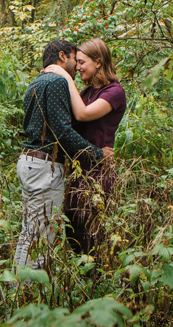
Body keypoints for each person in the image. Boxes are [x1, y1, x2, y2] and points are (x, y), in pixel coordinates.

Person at [14, 40, 114, 272]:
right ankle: (30, 298)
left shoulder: (35, 82)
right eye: (74, 60)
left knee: (29, 232)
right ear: (62, 57)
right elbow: (63, 132)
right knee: (42, 238)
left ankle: (16, 289)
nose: (76, 67)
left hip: (28, 162)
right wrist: (97, 154)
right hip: (44, 167)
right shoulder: (58, 81)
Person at [43, 38, 126, 255]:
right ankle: (89, 273)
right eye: (76, 62)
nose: (77, 67)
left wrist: (65, 77)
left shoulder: (114, 92)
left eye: (82, 62)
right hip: (79, 168)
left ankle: (99, 276)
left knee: (90, 226)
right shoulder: (87, 93)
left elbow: (83, 114)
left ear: (98, 62)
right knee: (73, 223)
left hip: (99, 168)